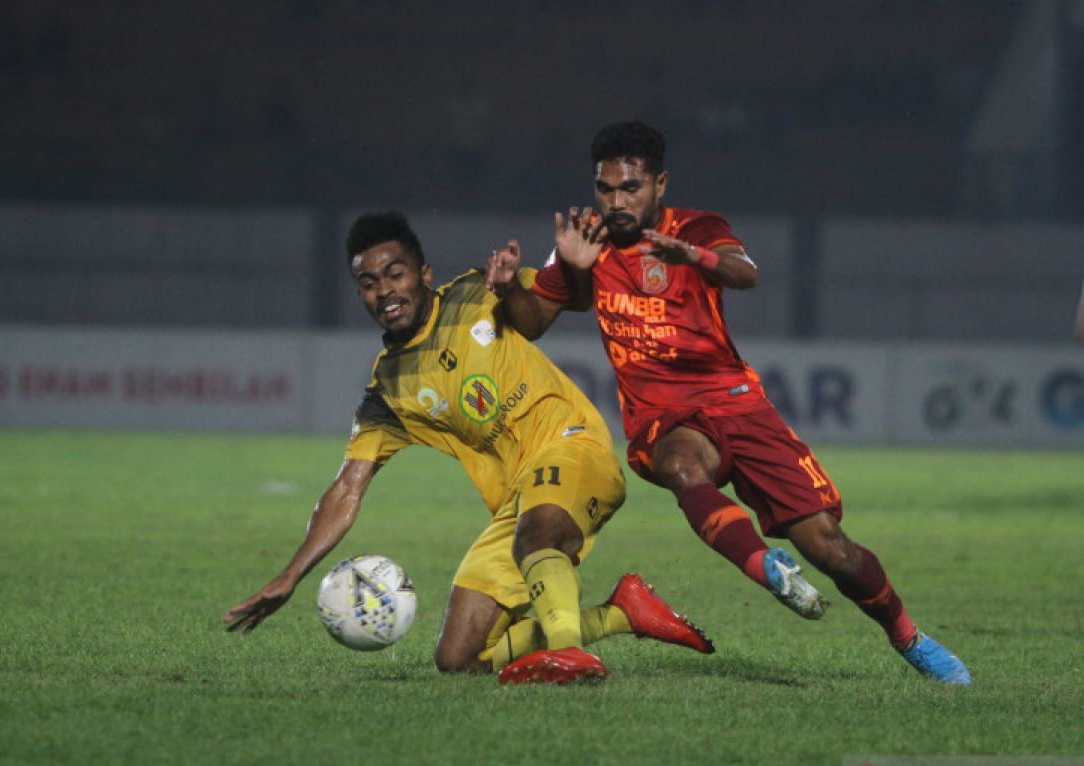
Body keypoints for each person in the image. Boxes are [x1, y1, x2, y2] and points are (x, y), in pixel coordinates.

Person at [487, 121, 971, 685]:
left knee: (833, 550)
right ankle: (763, 566)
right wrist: (510, 291)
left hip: (738, 403)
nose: (616, 201)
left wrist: (692, 256)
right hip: (664, 417)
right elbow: (533, 322)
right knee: (682, 465)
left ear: (659, 184)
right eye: (606, 188)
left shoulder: (698, 227)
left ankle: (908, 636)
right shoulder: (585, 242)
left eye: (631, 188)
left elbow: (747, 273)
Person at [224, 210, 714, 684]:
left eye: (394, 274)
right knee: (460, 657)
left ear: (424, 273)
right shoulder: (390, 388)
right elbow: (345, 490)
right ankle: (622, 613)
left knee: (538, 537)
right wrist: (290, 576)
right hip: (518, 500)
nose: (384, 291)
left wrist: (566, 267)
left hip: (574, 445)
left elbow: (567, 298)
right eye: (369, 283)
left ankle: (569, 650)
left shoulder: (478, 291)